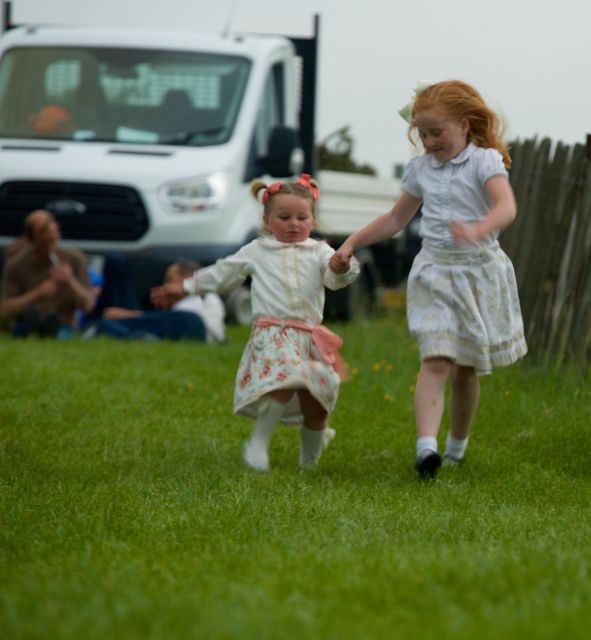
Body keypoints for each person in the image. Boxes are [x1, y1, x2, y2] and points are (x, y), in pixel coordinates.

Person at [329, 80, 527, 479]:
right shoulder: (421, 169)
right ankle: (426, 450)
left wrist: (479, 227)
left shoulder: (485, 162)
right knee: (435, 360)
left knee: (466, 369)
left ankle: (456, 447)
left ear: (465, 127)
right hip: (435, 272)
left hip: (478, 273)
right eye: (423, 133)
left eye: (438, 132)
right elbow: (396, 218)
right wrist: (350, 243)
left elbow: (506, 206)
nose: (430, 141)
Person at [152, 174, 360, 471]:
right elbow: (223, 273)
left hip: (309, 340)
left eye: (302, 217)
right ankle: (258, 443)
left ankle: (309, 463)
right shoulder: (258, 251)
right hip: (273, 335)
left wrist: (342, 267)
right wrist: (185, 287)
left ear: (312, 221)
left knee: (317, 403)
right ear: (267, 220)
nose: (293, 224)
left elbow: (335, 279)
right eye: (284, 216)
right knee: (284, 379)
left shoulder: (319, 252)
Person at [0, 209, 96, 338]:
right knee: (26, 327)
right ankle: (34, 325)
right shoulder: (17, 265)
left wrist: (70, 281)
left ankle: (50, 327)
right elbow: (4, 311)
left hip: (63, 324)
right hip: (25, 323)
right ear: (30, 239)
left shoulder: (74, 259)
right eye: (44, 242)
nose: (49, 246)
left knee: (61, 332)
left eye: (52, 241)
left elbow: (88, 305)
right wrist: (38, 294)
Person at [90, 259, 225, 343]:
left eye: (170, 280)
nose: (165, 285)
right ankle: (118, 331)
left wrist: (127, 315)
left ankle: (104, 327)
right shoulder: (192, 301)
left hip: (194, 326)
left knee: (170, 320)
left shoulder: (203, 295)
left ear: (188, 277)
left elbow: (171, 319)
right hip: (190, 331)